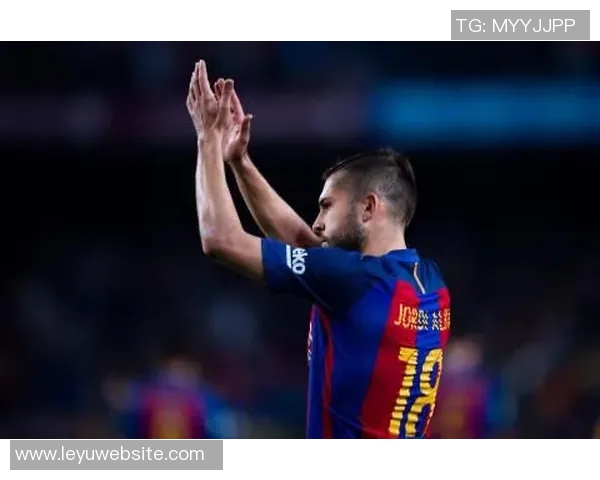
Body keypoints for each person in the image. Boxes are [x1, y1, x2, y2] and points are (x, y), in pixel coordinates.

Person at [186, 60, 451, 438]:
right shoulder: (430, 283)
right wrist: (240, 163)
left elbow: (220, 239)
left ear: (368, 208)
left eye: (327, 206)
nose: (317, 222)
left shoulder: (352, 280)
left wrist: (207, 139)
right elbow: (305, 246)